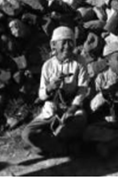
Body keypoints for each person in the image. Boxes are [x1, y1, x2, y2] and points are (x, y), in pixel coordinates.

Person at [22, 26, 88, 157]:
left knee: (79, 121)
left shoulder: (80, 62)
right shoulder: (47, 66)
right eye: (63, 42)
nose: (67, 46)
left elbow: (83, 89)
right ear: (54, 45)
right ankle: (62, 146)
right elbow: (41, 95)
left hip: (72, 109)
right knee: (27, 134)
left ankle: (53, 145)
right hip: (52, 110)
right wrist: (50, 88)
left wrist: (72, 109)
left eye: (70, 42)